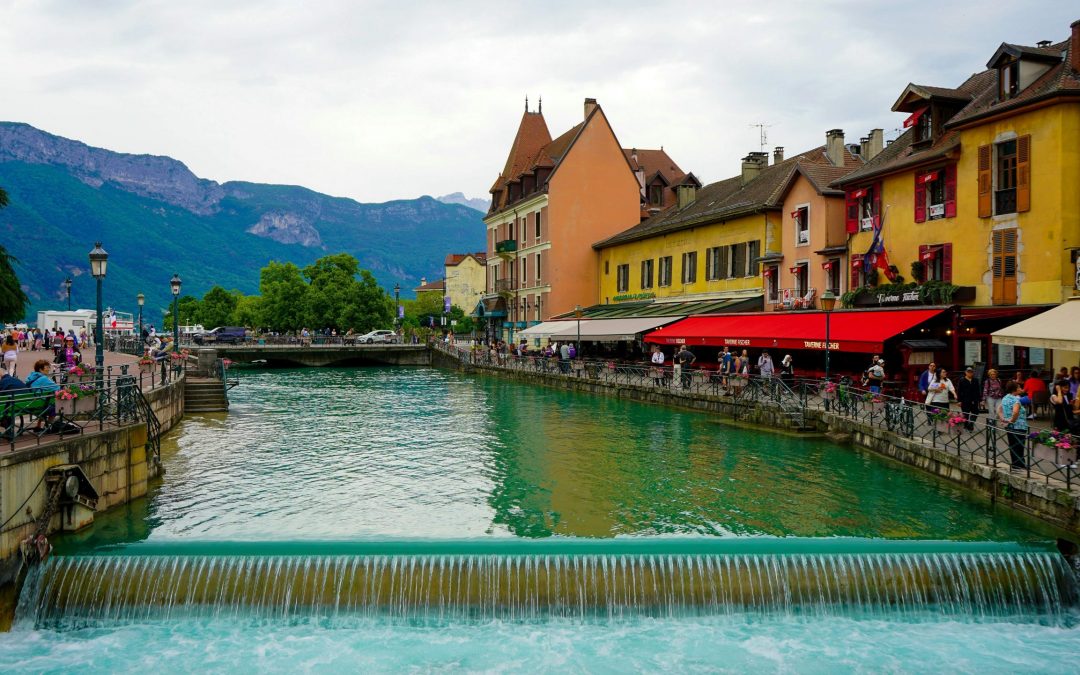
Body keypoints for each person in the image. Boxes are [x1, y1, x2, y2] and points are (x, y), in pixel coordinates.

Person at [1000, 380, 1028, 470]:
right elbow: (1015, 412)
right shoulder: (1016, 399)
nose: (1020, 389)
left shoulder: (1005, 398)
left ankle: (1016, 464)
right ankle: (1020, 465)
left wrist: (1003, 419)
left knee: (1013, 446)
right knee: (1020, 446)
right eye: (1019, 387)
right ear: (1014, 389)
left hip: (1009, 426)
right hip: (1019, 426)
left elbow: (998, 409)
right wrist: (1012, 420)